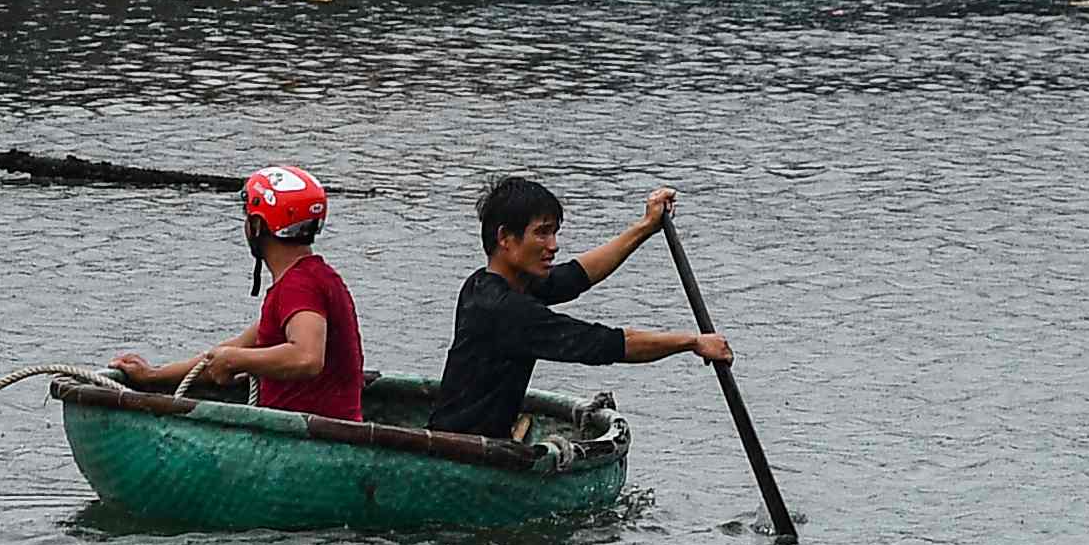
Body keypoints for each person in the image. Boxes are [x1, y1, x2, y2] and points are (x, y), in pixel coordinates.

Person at [425, 177, 730, 438]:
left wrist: (645, 228)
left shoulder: (483, 284)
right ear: (505, 237)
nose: (553, 245)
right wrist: (692, 342)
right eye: (542, 233)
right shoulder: (504, 310)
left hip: (466, 436)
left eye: (555, 232)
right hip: (464, 450)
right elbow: (603, 343)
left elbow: (576, 276)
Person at [111, 164, 364, 421]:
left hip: (310, 442)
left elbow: (307, 357)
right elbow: (224, 354)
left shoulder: (299, 286)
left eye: (247, 215)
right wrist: (154, 376)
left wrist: (235, 360)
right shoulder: (314, 278)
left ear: (256, 225)